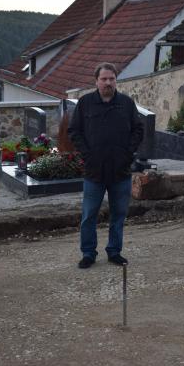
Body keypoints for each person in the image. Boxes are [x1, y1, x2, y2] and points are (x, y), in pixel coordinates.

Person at [69, 62, 144, 269]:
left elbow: (138, 130)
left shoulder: (127, 104)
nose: (108, 82)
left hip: (121, 171)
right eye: (104, 79)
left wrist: (128, 153)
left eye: (111, 78)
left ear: (115, 80)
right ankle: (88, 253)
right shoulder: (85, 103)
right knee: (89, 215)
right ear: (96, 81)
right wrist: (87, 155)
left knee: (118, 215)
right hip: (94, 171)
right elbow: (74, 131)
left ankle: (114, 251)